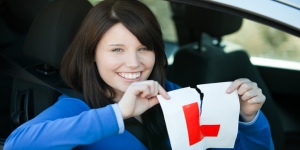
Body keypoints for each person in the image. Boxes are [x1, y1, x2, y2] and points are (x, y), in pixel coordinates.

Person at [4, 0, 273, 149]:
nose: (133, 63)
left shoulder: (175, 95)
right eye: (117, 49)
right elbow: (18, 145)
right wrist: (118, 113)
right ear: (92, 54)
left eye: (144, 48)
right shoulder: (78, 107)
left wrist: (249, 120)